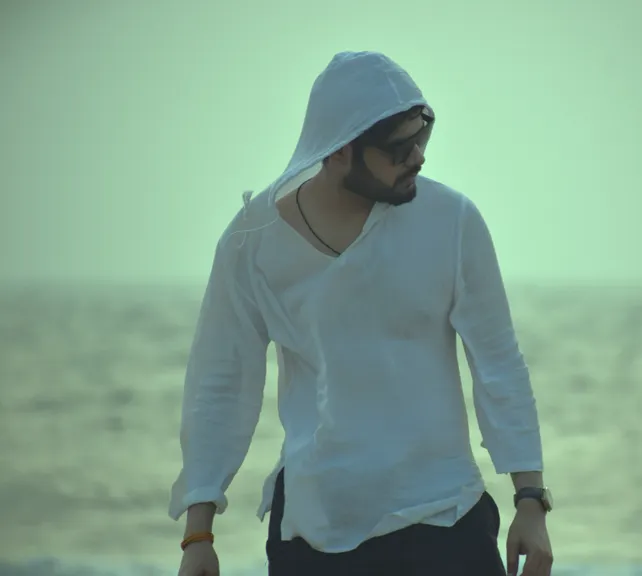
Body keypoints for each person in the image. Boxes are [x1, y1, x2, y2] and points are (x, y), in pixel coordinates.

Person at [169, 50, 553, 576]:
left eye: (424, 135)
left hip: (446, 518)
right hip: (315, 532)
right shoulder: (252, 242)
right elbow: (220, 383)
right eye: (400, 148)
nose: (418, 157)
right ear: (341, 151)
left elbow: (499, 364)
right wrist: (198, 533)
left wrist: (530, 500)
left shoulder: (452, 221)